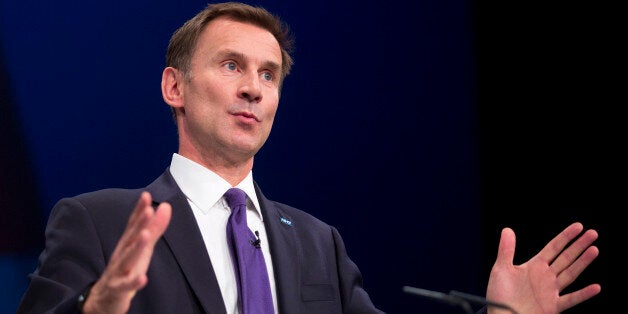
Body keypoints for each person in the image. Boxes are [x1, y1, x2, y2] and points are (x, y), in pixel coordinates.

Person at [17, 2, 601, 314]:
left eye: (268, 75)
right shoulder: (98, 221)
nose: (253, 88)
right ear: (175, 88)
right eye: (231, 66)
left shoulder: (317, 244)